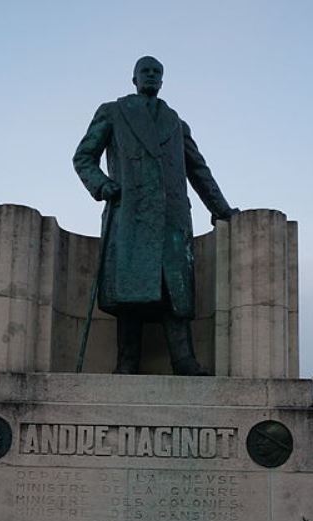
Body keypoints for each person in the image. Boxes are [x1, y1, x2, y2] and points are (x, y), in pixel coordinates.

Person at [73, 56, 239, 375]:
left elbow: (199, 171)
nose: (151, 76)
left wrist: (221, 210)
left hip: (171, 220)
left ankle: (184, 360)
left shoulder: (176, 123)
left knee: (174, 290)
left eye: (156, 72)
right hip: (130, 214)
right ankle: (127, 362)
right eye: (145, 71)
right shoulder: (113, 111)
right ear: (133, 78)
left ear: (162, 81)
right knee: (130, 293)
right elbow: (83, 157)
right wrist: (102, 184)